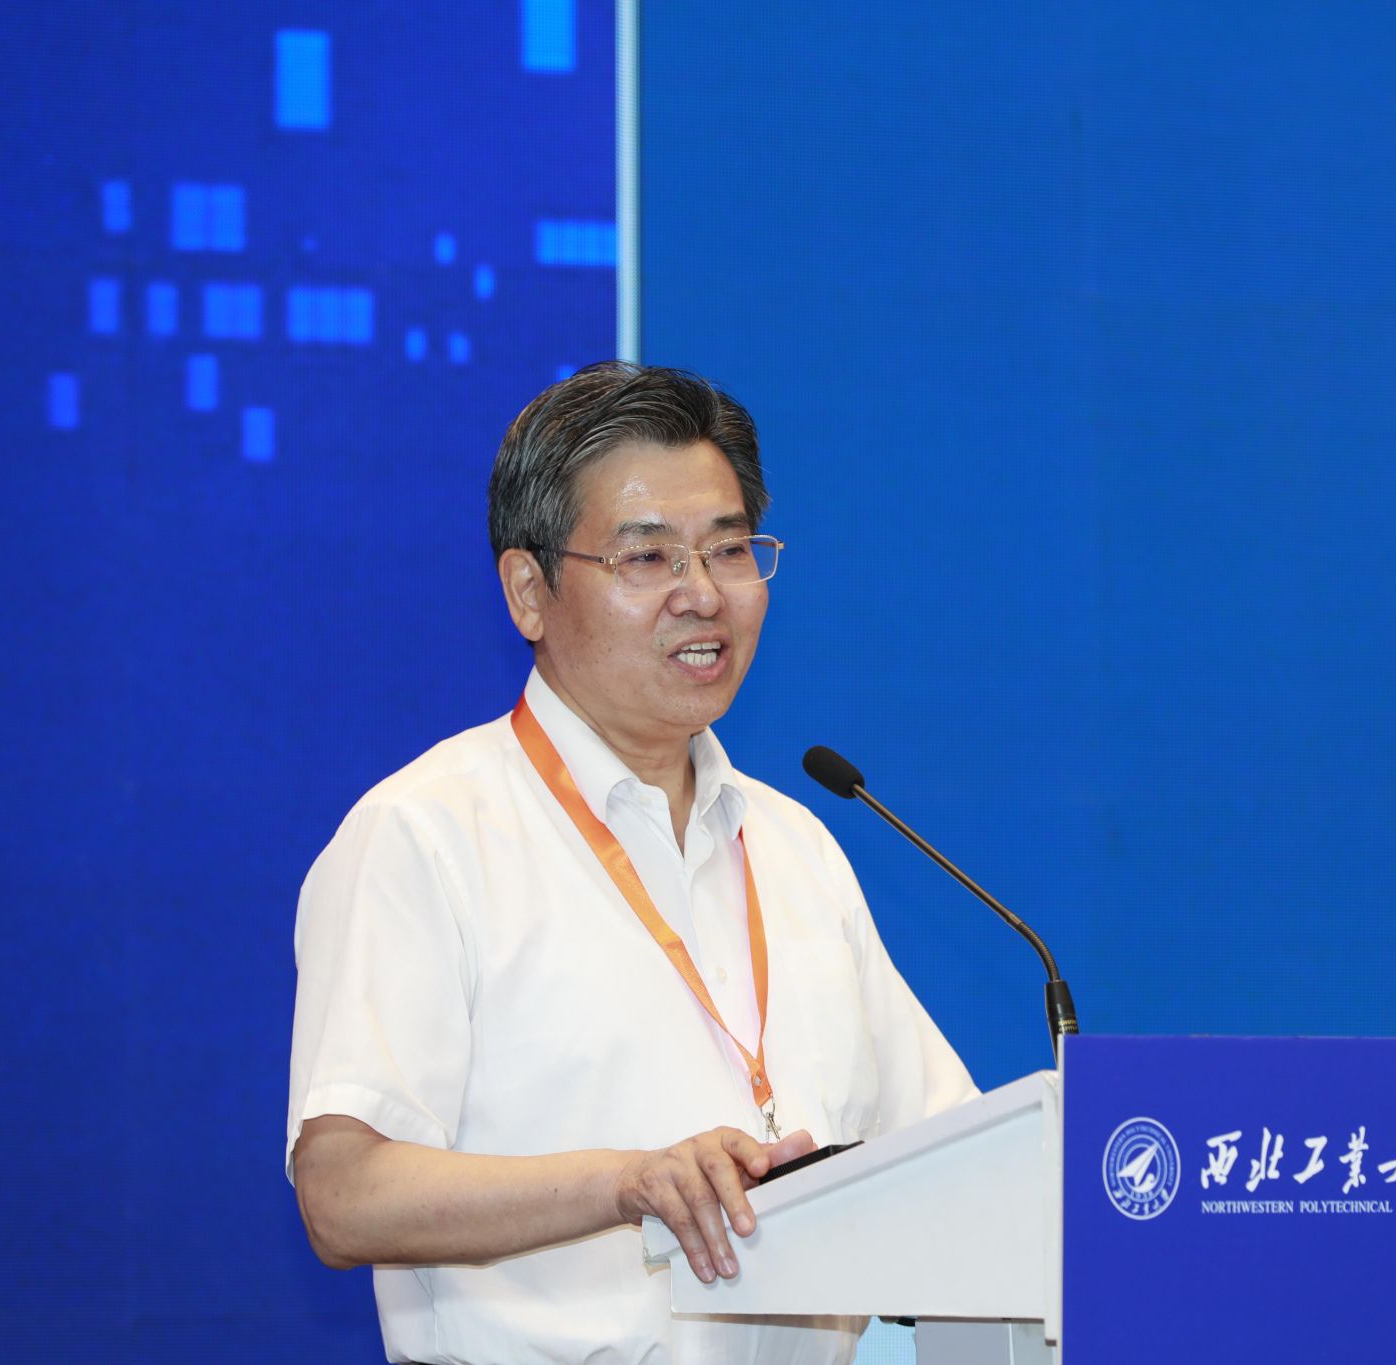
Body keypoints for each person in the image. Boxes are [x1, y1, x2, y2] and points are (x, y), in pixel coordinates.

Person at [285, 361, 977, 1364]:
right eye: (647, 558)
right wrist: (625, 1183)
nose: (703, 595)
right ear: (529, 591)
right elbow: (344, 1193)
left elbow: (950, 1157)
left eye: (729, 550)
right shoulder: (426, 835)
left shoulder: (795, 844)